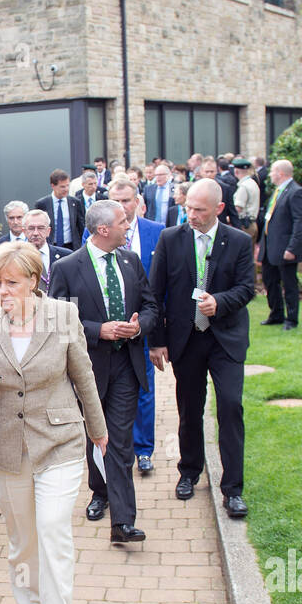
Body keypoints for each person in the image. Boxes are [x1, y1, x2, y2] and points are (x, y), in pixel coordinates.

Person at [0, 243, 108, 604]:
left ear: (34, 280)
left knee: (52, 529)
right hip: (6, 444)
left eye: (12, 282)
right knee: (23, 535)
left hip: (59, 440)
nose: (3, 290)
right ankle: (28, 600)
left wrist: (98, 431)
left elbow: (82, 375)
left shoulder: (64, 316)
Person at [50, 200, 157, 543]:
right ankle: (100, 491)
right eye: (124, 221)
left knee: (119, 441)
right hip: (88, 368)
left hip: (126, 364)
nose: (130, 225)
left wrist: (140, 327)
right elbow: (57, 319)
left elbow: (152, 306)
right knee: (94, 435)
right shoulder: (67, 267)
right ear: (103, 230)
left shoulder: (131, 261)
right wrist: (99, 330)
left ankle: (122, 523)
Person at [148, 178, 255, 520]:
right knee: (189, 408)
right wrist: (156, 341)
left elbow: (247, 288)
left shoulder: (237, 241)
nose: (190, 214)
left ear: (219, 209)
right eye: (188, 207)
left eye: (199, 210)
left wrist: (219, 302)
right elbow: (155, 291)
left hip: (225, 339)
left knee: (230, 406)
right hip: (186, 338)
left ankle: (233, 488)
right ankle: (189, 471)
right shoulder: (171, 238)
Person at [110, 177, 164, 475]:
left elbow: (161, 291)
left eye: (126, 201)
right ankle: (118, 448)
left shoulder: (157, 233)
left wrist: (157, 338)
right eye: (115, 201)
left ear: (138, 202)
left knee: (145, 388)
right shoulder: (94, 235)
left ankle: (143, 450)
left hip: (144, 326)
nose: (122, 207)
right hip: (110, 330)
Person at [260, 159, 302, 331]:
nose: (270, 174)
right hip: (269, 246)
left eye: (272, 171)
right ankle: (276, 313)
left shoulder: (296, 192)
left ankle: (292, 319)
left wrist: (292, 248)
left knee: (289, 284)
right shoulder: (278, 191)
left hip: (285, 247)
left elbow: (299, 222)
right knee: (269, 281)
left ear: (281, 173)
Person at [22, 209, 70, 294]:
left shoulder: (67, 256)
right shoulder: (17, 258)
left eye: (40, 228)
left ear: (48, 231)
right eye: (31, 228)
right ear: (24, 232)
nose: (36, 233)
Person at [36, 169, 82, 249]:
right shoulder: (42, 204)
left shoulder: (75, 203)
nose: (66, 189)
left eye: (68, 185)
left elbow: (81, 225)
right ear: (53, 186)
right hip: (51, 246)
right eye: (62, 187)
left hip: (71, 247)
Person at [232, 159, 261, 243]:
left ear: (236, 171)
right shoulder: (253, 183)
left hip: (245, 224)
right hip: (252, 223)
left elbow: (238, 208)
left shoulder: (244, 186)